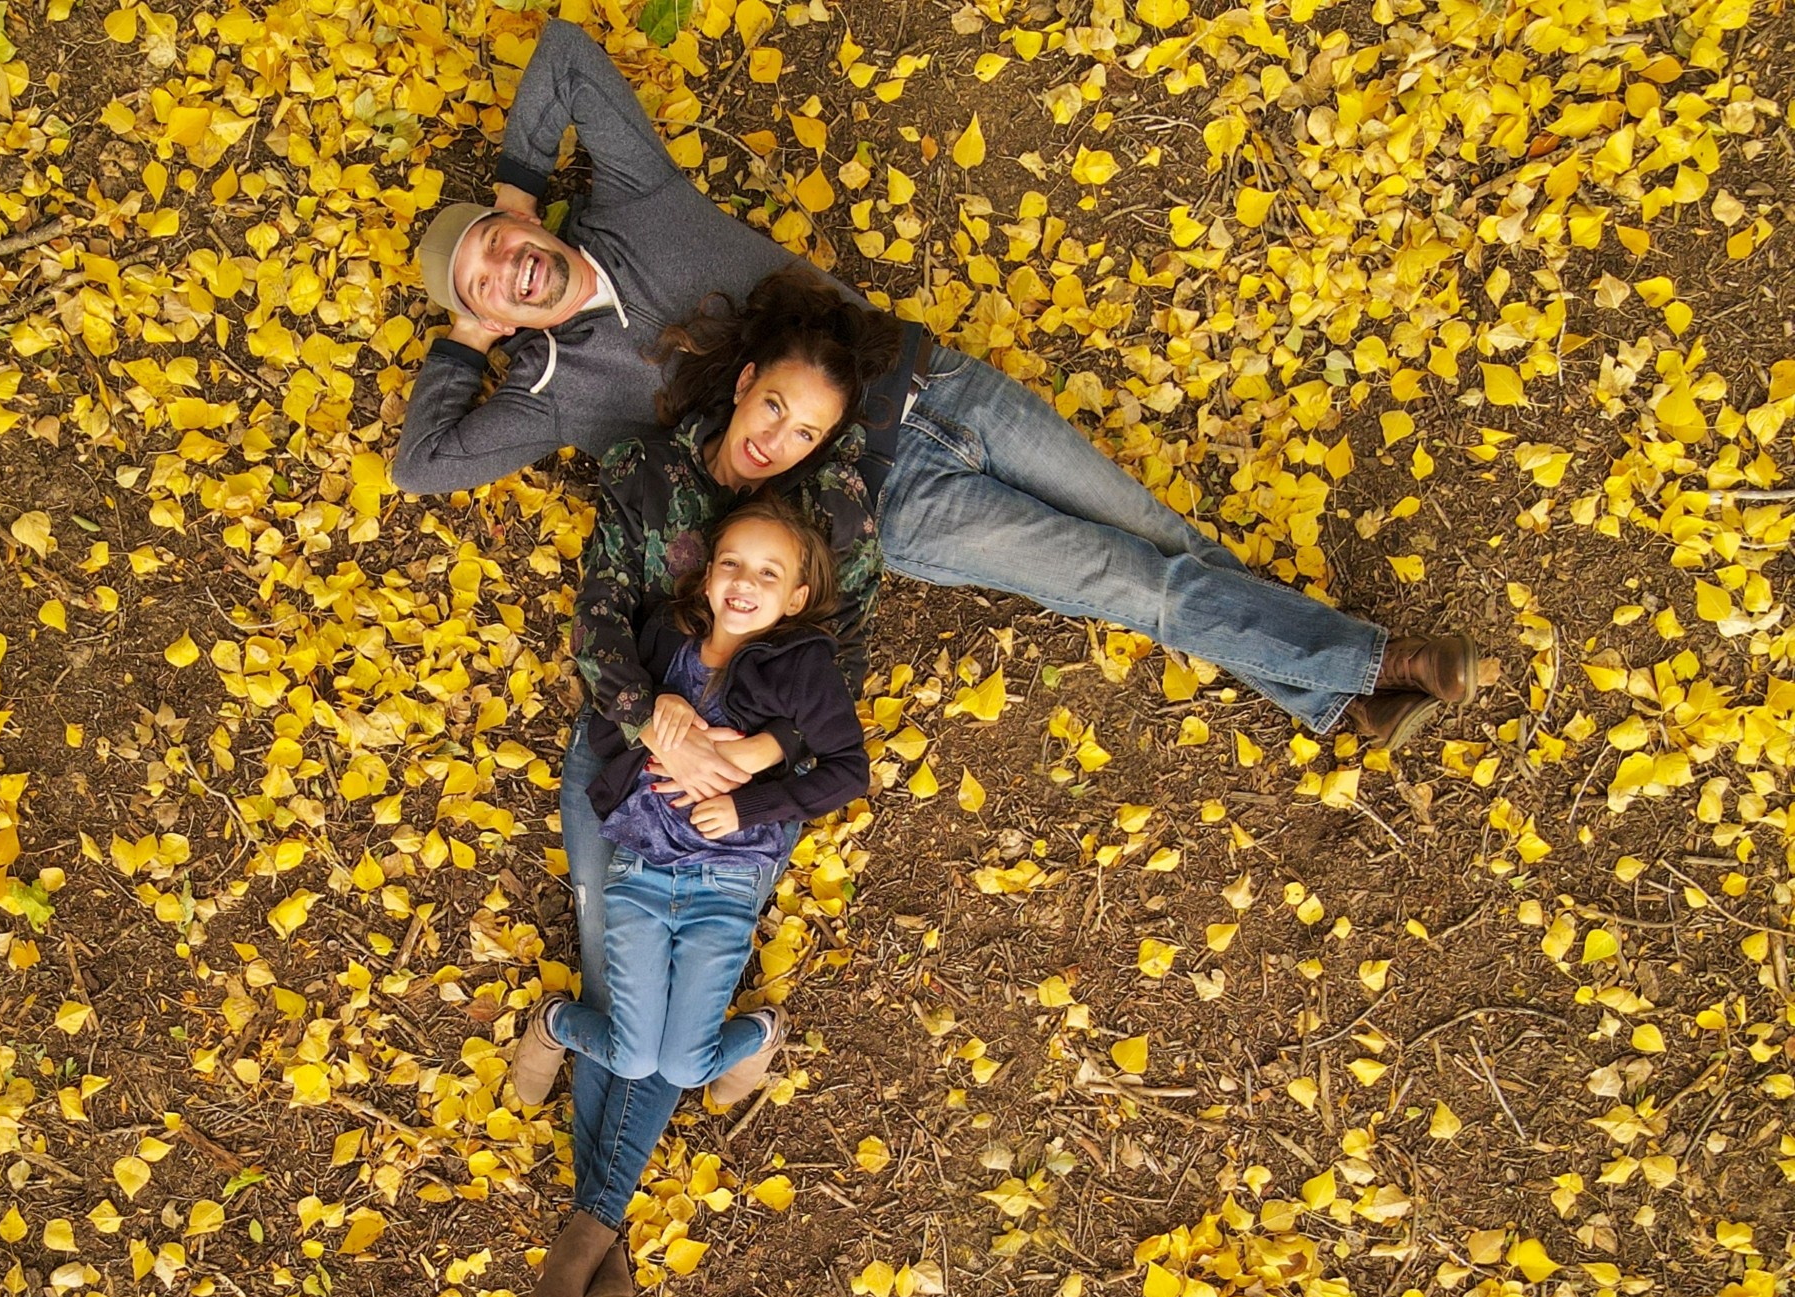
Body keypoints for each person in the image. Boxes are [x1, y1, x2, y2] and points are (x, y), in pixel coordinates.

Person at [389, 18, 1481, 749]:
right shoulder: (552, 394)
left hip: (934, 382)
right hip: (889, 498)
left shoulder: (633, 200)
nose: (504, 264)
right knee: (1130, 584)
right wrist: (462, 342)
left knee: (1164, 538)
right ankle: (1377, 660)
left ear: (522, 224)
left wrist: (513, 185)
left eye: (496, 240)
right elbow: (421, 462)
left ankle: (1334, 699)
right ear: (494, 313)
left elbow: (565, 55)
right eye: (484, 282)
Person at [504, 272, 896, 1297]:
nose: (780, 440)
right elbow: (596, 625)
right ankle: (595, 1233)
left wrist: (756, 749)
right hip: (626, 773)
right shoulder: (647, 477)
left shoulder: (830, 517)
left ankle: (590, 1232)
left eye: (809, 432)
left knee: (657, 1025)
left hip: (736, 811)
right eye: (774, 407)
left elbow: (842, 674)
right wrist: (657, 720)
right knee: (624, 993)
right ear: (745, 381)